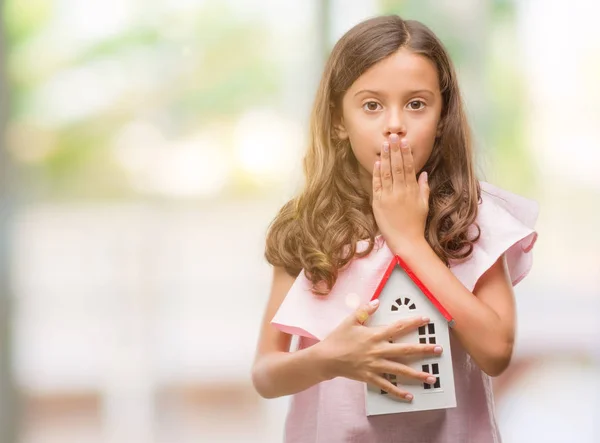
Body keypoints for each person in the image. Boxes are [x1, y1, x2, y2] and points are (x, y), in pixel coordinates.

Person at [251, 14, 538, 443]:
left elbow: (496, 352)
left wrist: (408, 239)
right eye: (371, 105)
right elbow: (266, 374)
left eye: (416, 104)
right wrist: (329, 359)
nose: (394, 124)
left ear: (442, 118)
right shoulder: (307, 226)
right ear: (337, 121)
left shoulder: (473, 216)